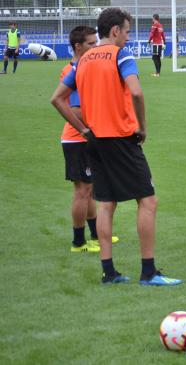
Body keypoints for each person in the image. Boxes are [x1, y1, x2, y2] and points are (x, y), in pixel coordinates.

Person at [51, 8, 182, 286]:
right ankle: (148, 272)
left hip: (95, 141)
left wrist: (84, 129)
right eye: (126, 31)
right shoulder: (120, 54)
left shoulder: (83, 60)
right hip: (121, 138)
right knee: (147, 200)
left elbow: (57, 99)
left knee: (106, 204)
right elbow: (136, 91)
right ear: (114, 31)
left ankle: (108, 273)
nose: (128, 36)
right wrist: (143, 127)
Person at [60, 26, 101, 253]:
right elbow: (75, 110)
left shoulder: (84, 67)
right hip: (77, 139)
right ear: (78, 46)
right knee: (82, 191)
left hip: (86, 138)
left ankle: (94, 236)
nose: (95, 47)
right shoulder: (72, 69)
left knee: (89, 189)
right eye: (91, 44)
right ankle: (78, 242)